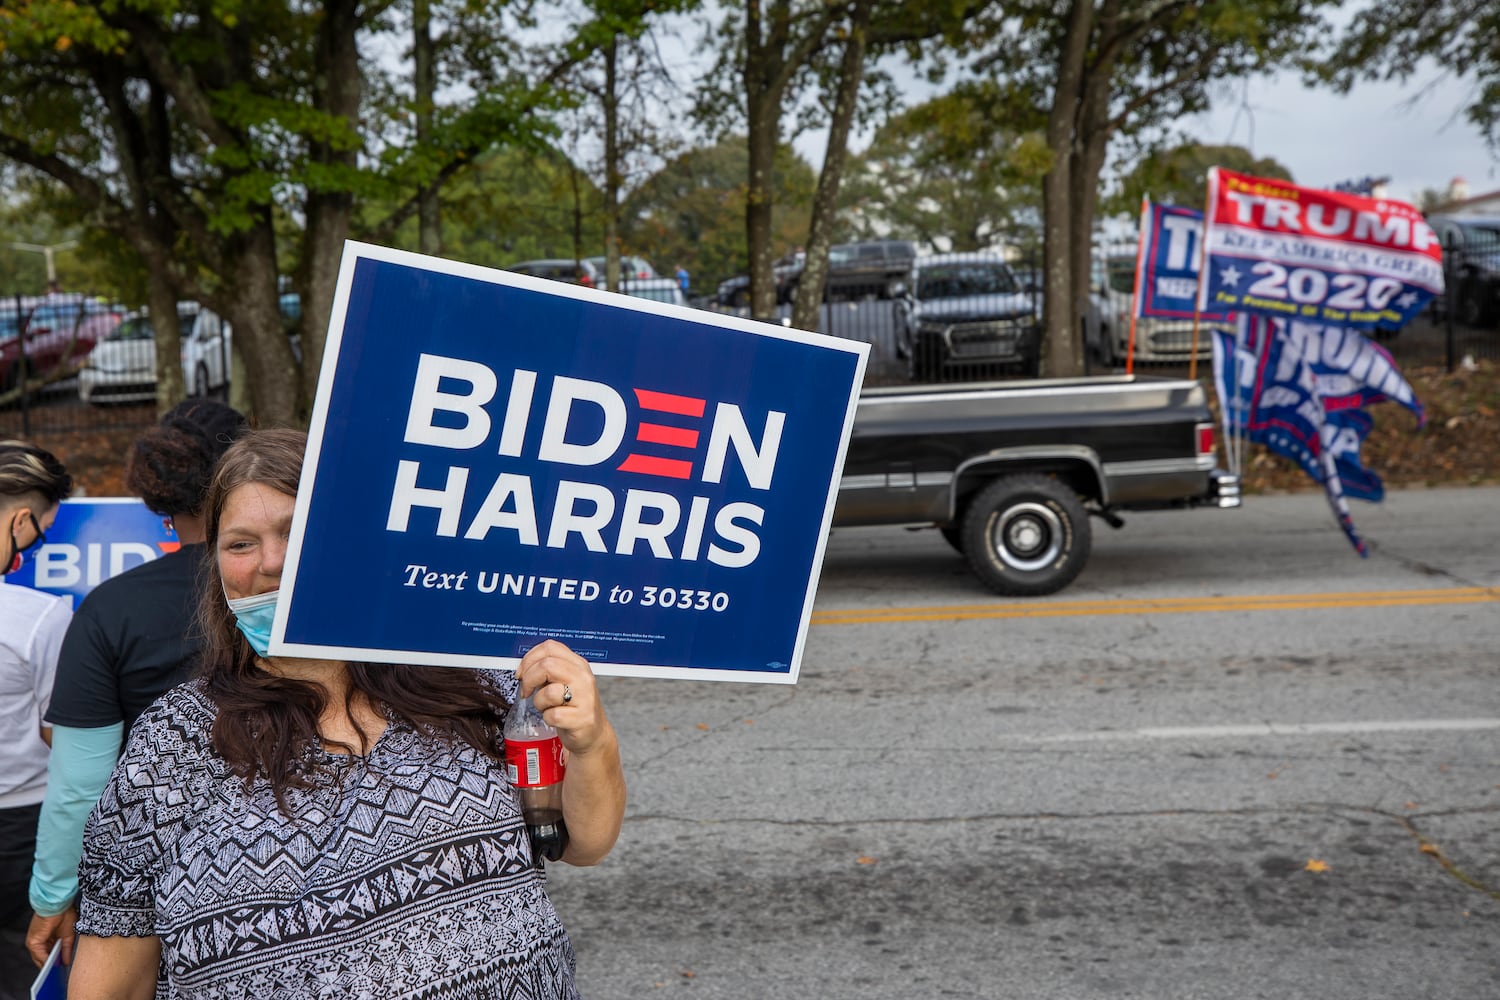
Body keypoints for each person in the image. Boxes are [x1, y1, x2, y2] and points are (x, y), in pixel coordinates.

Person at [68, 428, 626, 999]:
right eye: (240, 544)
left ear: (350, 538)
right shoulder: (171, 742)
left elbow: (580, 843)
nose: (272, 563)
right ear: (215, 565)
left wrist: (591, 741)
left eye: (296, 531)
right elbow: (112, 976)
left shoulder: (471, 679)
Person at [26, 399, 247, 971]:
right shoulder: (299, 594)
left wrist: (54, 894)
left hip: (158, 883)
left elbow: (80, 782)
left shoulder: (111, 610)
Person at [0, 441, 73, 1000]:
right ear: (21, 520)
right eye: (41, 532)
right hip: (22, 828)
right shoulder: (40, 618)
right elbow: (61, 736)